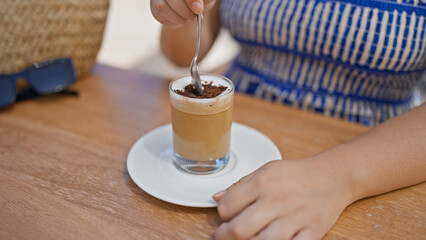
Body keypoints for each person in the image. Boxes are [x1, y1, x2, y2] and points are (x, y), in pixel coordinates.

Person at [151, 0, 426, 239]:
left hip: (378, 153)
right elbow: (180, 54)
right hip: (233, 127)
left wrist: (338, 176)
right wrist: (181, 11)